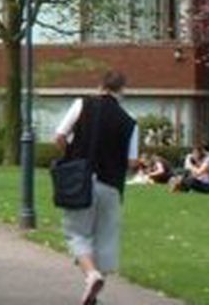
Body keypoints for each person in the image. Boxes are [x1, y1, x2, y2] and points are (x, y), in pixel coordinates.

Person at [54, 70, 139, 305]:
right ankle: (94, 295)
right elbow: (131, 162)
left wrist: (72, 153)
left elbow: (60, 135)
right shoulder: (130, 121)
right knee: (105, 240)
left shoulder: (82, 105)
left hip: (82, 180)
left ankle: (91, 275)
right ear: (122, 90)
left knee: (77, 232)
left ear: (101, 86)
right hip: (111, 185)